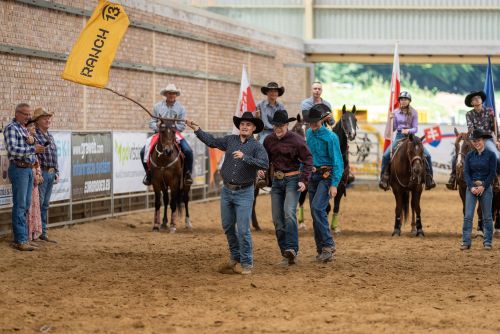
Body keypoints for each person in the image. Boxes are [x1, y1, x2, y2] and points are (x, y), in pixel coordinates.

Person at [185, 112, 268, 275]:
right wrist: (197, 129)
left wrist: (245, 157)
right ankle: (235, 255)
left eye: (248, 125)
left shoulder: (257, 146)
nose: (245, 126)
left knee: (243, 229)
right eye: (243, 124)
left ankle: (246, 262)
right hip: (227, 190)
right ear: (239, 126)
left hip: (245, 191)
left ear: (253, 129)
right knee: (228, 226)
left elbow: (264, 163)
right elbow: (213, 142)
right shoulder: (230, 140)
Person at [263, 110, 313, 265]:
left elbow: (308, 159)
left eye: (281, 125)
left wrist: (304, 180)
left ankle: (292, 248)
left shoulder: (297, 140)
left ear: (287, 125)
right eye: (275, 125)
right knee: (277, 219)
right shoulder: (268, 141)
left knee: (289, 212)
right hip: (277, 182)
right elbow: (265, 159)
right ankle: (286, 253)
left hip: (293, 179)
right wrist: (262, 173)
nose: (278, 128)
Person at [303, 103, 343, 263]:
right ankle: (320, 249)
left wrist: (334, 184)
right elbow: (307, 155)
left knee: (317, 208)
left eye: (315, 122)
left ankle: (328, 244)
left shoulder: (331, 137)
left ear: (322, 120)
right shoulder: (309, 134)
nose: (312, 125)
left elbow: (338, 162)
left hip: (326, 176)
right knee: (315, 212)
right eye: (310, 122)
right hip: (313, 177)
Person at [3, 103, 45, 251]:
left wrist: (34, 147)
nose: (28, 117)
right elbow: (13, 150)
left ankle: (23, 238)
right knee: (21, 205)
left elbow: (28, 147)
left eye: (29, 114)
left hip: (27, 169)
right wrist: (33, 148)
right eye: (26, 114)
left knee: (26, 205)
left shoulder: (22, 128)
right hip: (19, 168)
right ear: (17, 113)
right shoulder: (11, 128)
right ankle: (20, 239)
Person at [379, 91, 436, 191]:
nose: (403, 101)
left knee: (427, 155)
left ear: (409, 101)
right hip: (399, 137)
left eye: (405, 99)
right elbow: (392, 129)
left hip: (412, 137)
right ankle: (384, 178)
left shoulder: (414, 112)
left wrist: (408, 130)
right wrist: (390, 119)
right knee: (385, 155)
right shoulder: (395, 112)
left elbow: (415, 128)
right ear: (399, 101)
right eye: (401, 99)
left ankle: (429, 178)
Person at [141, 84, 193, 186]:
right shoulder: (157, 107)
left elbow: (182, 126)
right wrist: (159, 126)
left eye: (173, 93)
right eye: (169, 93)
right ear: (166, 94)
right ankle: (148, 174)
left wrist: (171, 128)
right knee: (143, 151)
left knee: (188, 151)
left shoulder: (181, 108)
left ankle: (187, 174)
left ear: (176, 95)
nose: (171, 95)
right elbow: (151, 123)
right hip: (160, 134)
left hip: (175, 134)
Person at [447, 91, 500, 190]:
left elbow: (495, 127)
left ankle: (496, 179)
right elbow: (471, 129)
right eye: (473, 99)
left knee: (496, 157)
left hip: (487, 140)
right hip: (474, 139)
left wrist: (498, 141)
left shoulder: (490, 112)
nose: (476, 99)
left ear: (481, 100)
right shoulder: (469, 114)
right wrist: (476, 138)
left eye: (478, 98)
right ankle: (453, 177)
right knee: (458, 156)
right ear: (471, 103)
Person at [461, 129, 496, 250]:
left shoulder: (491, 155)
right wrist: (471, 187)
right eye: (474, 141)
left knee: (487, 216)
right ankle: (466, 241)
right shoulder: (469, 155)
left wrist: (483, 186)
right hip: (472, 188)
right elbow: (466, 173)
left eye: (479, 140)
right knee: (468, 216)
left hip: (485, 187)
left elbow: (492, 174)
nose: (476, 143)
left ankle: (488, 242)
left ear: (483, 140)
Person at [33, 107, 58, 243]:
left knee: (45, 204)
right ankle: (37, 232)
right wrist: (38, 172)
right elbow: (34, 156)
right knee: (40, 203)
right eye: (44, 118)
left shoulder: (49, 135)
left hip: (50, 173)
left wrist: (56, 171)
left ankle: (42, 232)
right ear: (37, 121)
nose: (48, 120)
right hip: (41, 173)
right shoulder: (35, 135)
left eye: (49, 117)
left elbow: (54, 155)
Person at [26, 119, 42, 242]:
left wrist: (38, 173)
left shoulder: (33, 143)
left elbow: (36, 161)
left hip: (34, 176)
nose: (34, 128)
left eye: (34, 127)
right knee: (27, 205)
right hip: (27, 173)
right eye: (31, 126)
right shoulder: (26, 141)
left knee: (35, 205)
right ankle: (27, 234)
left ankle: (34, 232)